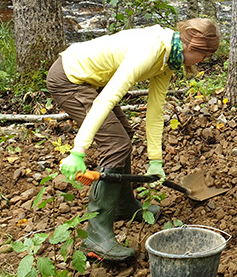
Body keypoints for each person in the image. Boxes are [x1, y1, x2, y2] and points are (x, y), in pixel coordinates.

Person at [46, 18, 220, 261]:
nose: (202, 62)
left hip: (91, 79)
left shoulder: (168, 58)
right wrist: (78, 151)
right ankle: (96, 236)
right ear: (192, 48)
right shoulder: (151, 50)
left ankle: (123, 205)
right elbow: (105, 100)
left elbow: (155, 111)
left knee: (124, 136)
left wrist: (155, 160)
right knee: (116, 143)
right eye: (204, 56)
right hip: (69, 77)